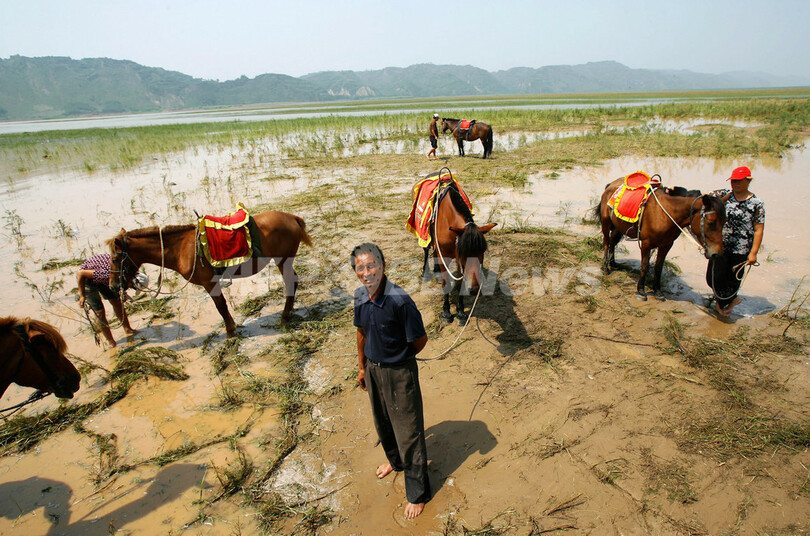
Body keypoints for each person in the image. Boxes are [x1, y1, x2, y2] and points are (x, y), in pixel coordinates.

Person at [351, 242, 431, 519]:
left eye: (371, 265)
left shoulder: (399, 300)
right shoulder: (360, 296)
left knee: (409, 431)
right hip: (372, 369)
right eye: (360, 268)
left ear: (383, 266)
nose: (367, 272)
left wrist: (398, 359)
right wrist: (362, 367)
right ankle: (395, 463)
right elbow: (361, 332)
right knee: (383, 423)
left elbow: (420, 340)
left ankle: (418, 493)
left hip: (399, 372)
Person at [706, 166, 765, 317]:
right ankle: (731, 300)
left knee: (732, 280)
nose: (735, 184)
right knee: (712, 277)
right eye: (733, 181)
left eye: (739, 181)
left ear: (748, 181)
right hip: (721, 245)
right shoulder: (724, 194)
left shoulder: (757, 203)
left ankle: (723, 304)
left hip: (741, 248)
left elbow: (758, 229)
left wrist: (753, 253)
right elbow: (704, 198)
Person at [77, 253, 142, 347]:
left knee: (117, 302)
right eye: (132, 287)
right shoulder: (106, 274)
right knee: (99, 313)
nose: (131, 288)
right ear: (130, 280)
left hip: (104, 277)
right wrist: (82, 295)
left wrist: (122, 292)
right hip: (87, 279)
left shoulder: (128, 271)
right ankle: (110, 341)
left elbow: (122, 284)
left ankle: (128, 329)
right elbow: (80, 273)